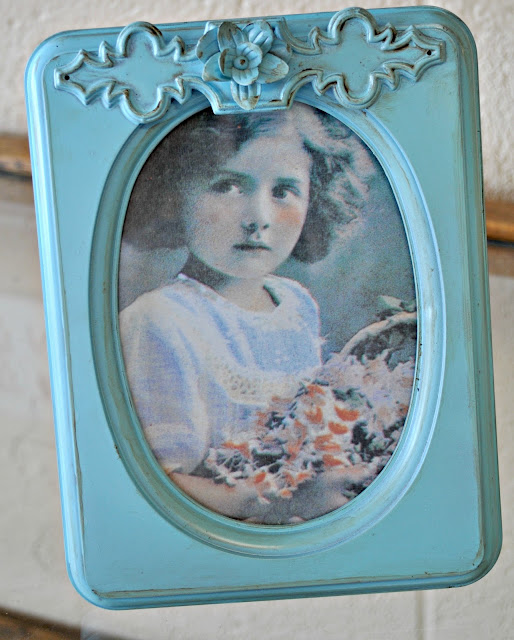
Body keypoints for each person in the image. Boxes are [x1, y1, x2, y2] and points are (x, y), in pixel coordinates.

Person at [119, 104, 403, 523]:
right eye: (229, 186)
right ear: (176, 194)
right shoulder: (160, 320)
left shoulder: (296, 305)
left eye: (283, 191)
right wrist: (271, 503)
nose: (259, 219)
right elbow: (154, 482)